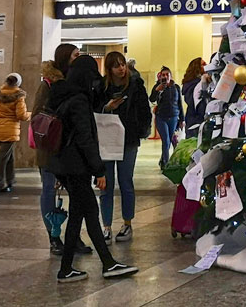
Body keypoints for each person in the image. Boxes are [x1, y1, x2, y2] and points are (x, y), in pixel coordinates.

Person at [47, 55, 137, 283]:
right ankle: (108, 264)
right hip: (77, 167)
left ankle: (67, 269)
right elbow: (85, 139)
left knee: (79, 216)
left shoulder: (60, 95)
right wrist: (99, 170)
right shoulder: (78, 100)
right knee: (90, 214)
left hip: (63, 165)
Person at [33, 43, 90, 257]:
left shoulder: (78, 82)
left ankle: (73, 236)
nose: (79, 57)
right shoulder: (48, 84)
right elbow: (38, 116)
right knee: (49, 189)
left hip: (72, 149)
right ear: (66, 57)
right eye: (76, 54)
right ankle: (53, 236)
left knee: (77, 192)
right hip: (52, 148)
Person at [96, 51, 150, 243]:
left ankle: (127, 223)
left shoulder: (136, 85)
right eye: (116, 65)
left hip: (128, 139)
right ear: (109, 69)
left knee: (126, 181)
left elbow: (145, 111)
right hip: (108, 140)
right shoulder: (100, 88)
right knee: (106, 184)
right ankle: (106, 226)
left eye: (123, 64)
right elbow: (94, 110)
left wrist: (140, 131)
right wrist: (107, 108)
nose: (121, 68)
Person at [0, 73, 30, 193]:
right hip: (10, 130)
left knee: (9, 156)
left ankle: (10, 179)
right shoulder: (19, 96)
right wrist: (31, 114)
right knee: (3, 158)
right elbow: (21, 115)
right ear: (17, 83)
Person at [149, 66, 181, 169]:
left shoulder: (176, 87)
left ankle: (163, 160)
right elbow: (152, 99)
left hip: (174, 117)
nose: (165, 76)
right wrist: (157, 90)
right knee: (166, 140)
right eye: (163, 75)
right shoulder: (157, 87)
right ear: (160, 77)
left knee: (170, 140)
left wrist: (182, 119)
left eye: (167, 74)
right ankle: (167, 164)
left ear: (171, 76)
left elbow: (179, 103)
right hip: (161, 117)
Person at [181, 57, 208, 136]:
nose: (206, 65)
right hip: (195, 120)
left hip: (193, 118)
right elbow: (193, 102)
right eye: (203, 64)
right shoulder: (193, 85)